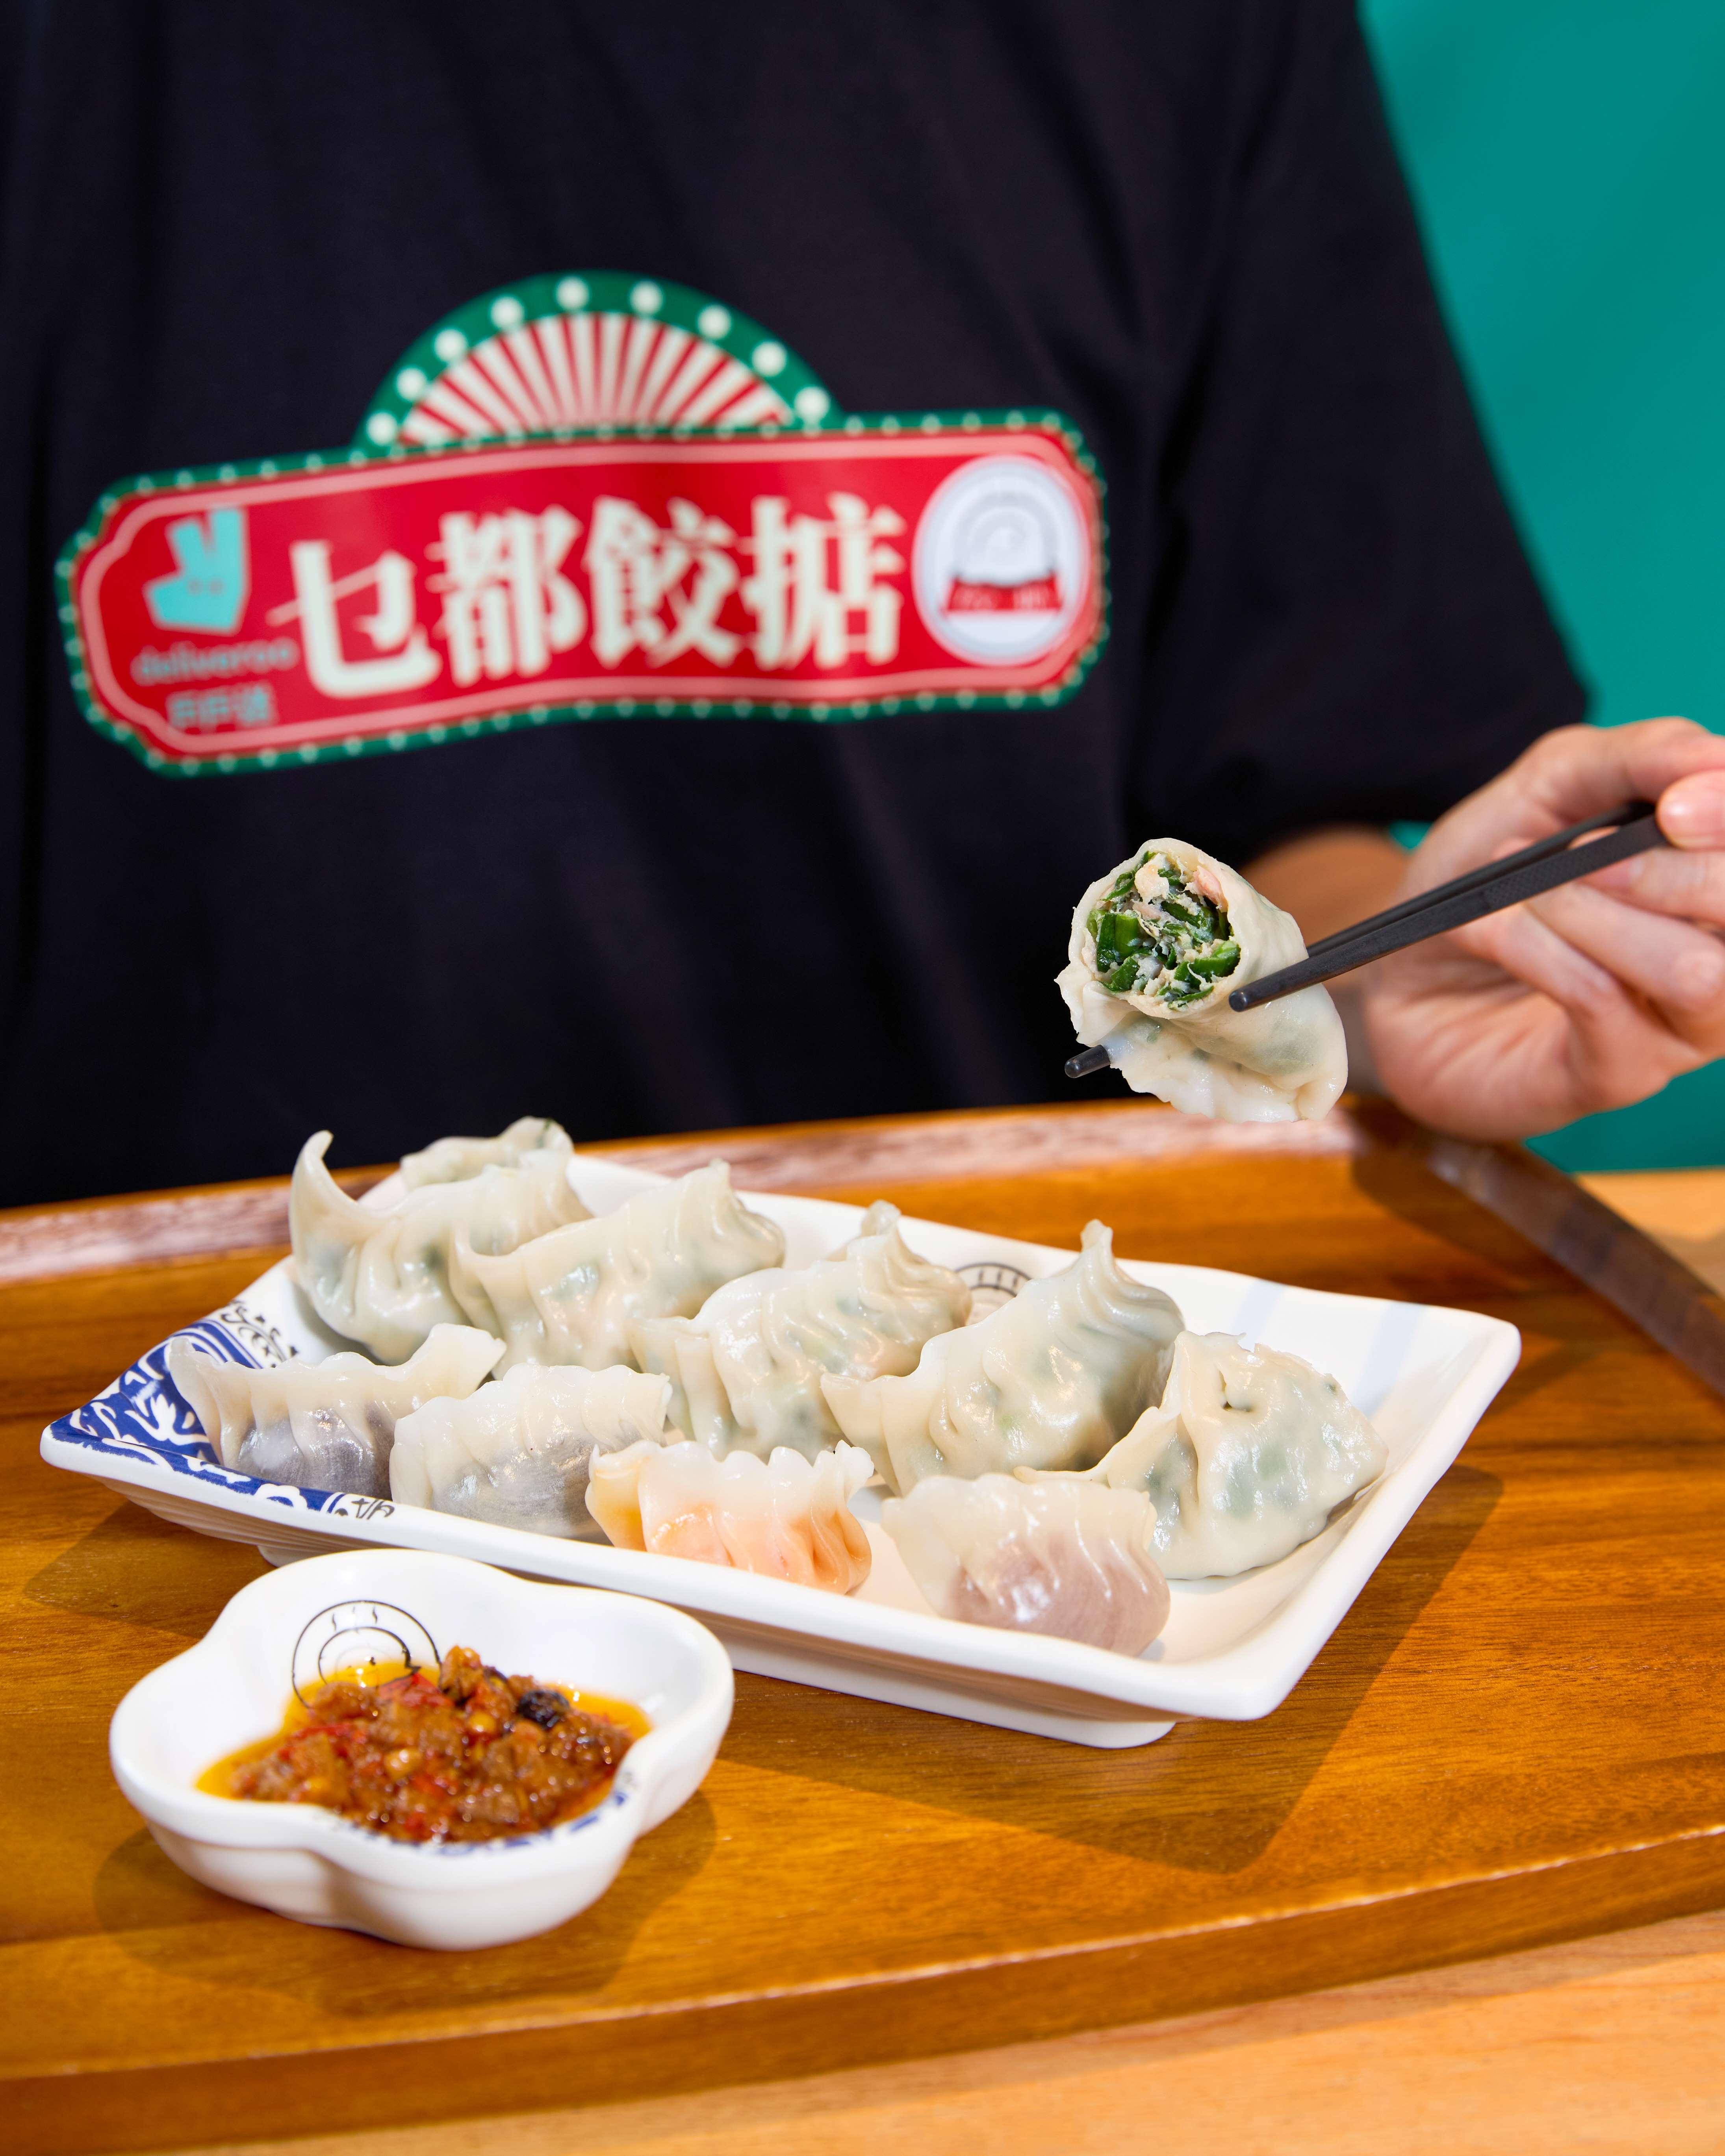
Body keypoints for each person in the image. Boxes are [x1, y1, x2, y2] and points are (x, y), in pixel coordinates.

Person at [2, 0, 1722, 1207]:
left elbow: (1283, 823)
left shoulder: (1173, 38)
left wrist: (1389, 981)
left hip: (958, 1421)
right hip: (160, 1417)